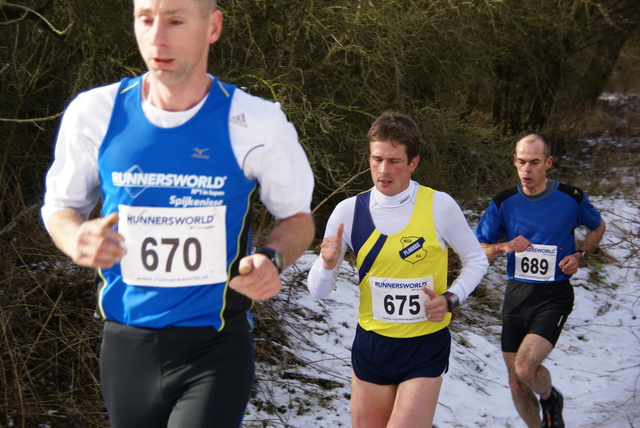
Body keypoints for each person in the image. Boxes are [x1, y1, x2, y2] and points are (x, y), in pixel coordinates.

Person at [40, 0, 314, 427]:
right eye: (145, 19)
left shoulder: (257, 123)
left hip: (215, 346)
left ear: (213, 26)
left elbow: (298, 218)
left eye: (175, 20)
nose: (157, 37)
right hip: (125, 344)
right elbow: (59, 207)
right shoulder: (95, 113)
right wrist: (76, 236)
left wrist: (272, 258)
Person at [307, 111, 489, 428]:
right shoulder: (349, 212)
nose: (383, 170)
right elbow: (318, 291)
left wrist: (450, 298)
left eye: (394, 161)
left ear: (413, 163)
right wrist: (326, 263)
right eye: (377, 159)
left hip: (424, 346)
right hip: (373, 346)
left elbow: (477, 259)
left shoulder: (439, 206)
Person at [475, 133, 606, 428]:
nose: (526, 170)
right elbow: (478, 249)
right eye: (521, 162)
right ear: (514, 162)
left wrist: (581, 255)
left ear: (548, 163)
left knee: (524, 367)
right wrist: (503, 247)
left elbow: (598, 227)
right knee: (516, 384)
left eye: (534, 162)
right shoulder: (503, 202)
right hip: (516, 296)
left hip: (554, 295)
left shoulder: (571, 198)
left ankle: (550, 398)